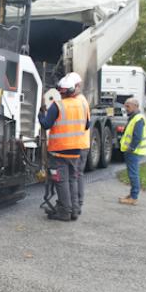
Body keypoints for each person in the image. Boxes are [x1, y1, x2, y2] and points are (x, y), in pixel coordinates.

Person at [39, 76, 90, 221]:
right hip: (76, 150)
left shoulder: (58, 105)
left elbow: (46, 124)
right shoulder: (82, 104)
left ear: (60, 91)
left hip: (59, 151)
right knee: (72, 179)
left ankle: (64, 212)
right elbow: (87, 125)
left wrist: (41, 115)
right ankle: (74, 210)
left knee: (61, 181)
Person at [64, 72, 90, 215]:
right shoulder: (80, 100)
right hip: (79, 143)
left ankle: (77, 204)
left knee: (75, 175)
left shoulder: (79, 101)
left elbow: (84, 124)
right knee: (76, 175)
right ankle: (75, 204)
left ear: (77, 86)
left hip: (79, 144)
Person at [118, 97, 146, 205]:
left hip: (134, 152)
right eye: (125, 106)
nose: (126, 108)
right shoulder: (134, 117)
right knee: (132, 173)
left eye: (128, 106)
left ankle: (133, 197)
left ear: (135, 106)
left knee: (133, 174)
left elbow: (137, 137)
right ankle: (132, 195)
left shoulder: (138, 118)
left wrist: (131, 148)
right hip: (132, 151)